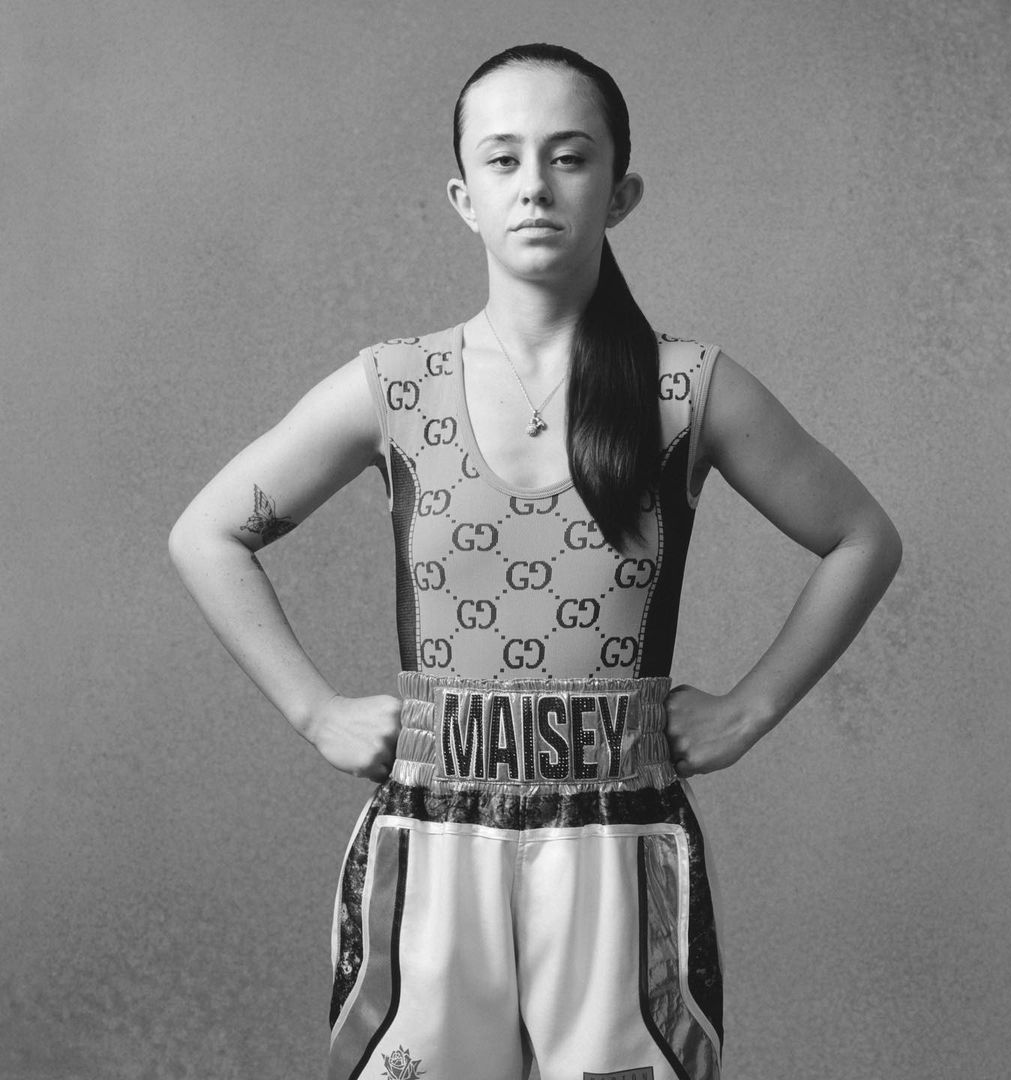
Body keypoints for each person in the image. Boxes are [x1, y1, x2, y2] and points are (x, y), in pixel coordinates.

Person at [169, 42, 901, 1080]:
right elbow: (207, 531)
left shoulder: (687, 389)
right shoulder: (396, 386)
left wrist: (750, 709)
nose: (536, 187)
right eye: (504, 159)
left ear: (620, 191)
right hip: (432, 837)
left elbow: (861, 536)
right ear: (463, 197)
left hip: (620, 838)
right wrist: (314, 711)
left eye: (569, 156)